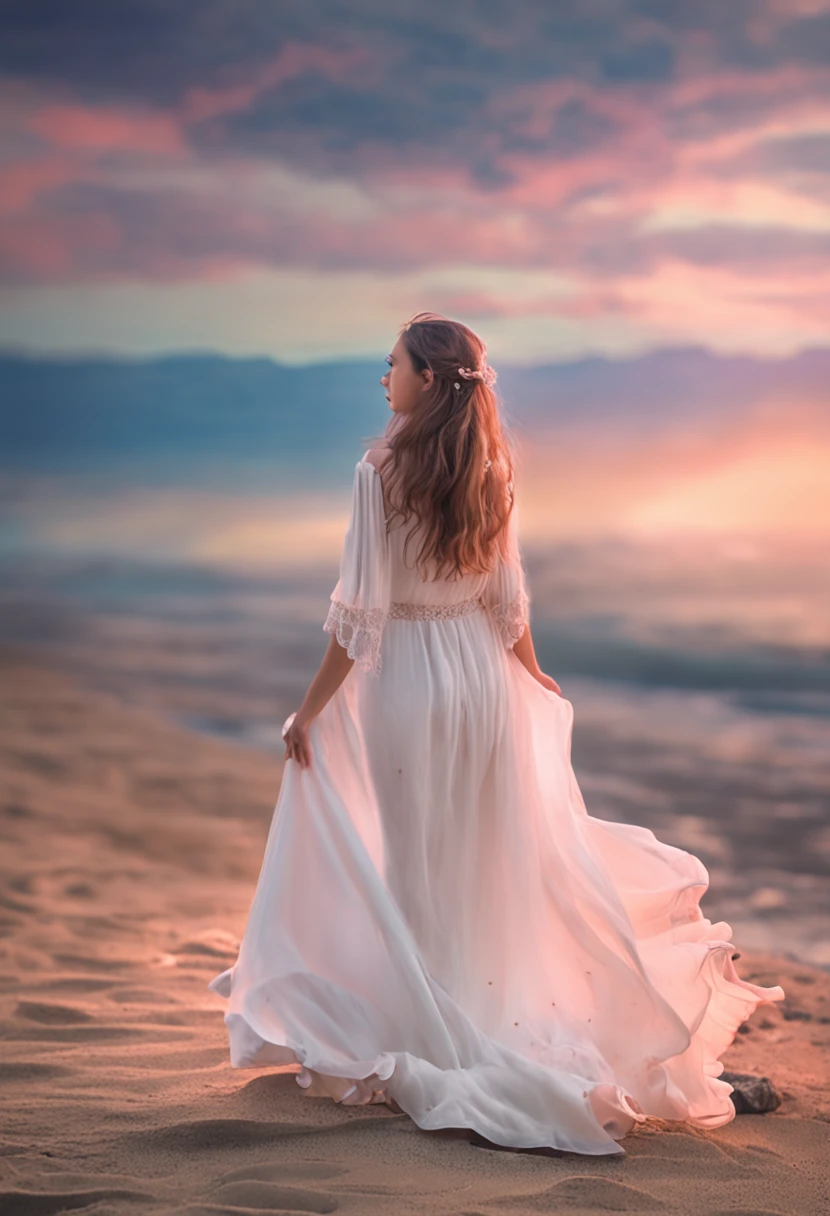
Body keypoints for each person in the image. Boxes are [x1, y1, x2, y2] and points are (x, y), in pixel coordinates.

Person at [208, 311, 785, 1155]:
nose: (384, 378)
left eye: (393, 364)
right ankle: (475, 1004)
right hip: (479, 678)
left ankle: (443, 1020)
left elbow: (359, 616)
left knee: (419, 862)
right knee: (483, 857)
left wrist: (310, 709)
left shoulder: (376, 471)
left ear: (428, 379)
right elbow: (505, 597)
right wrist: (529, 672)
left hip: (408, 679)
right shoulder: (493, 469)